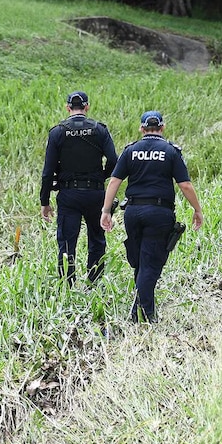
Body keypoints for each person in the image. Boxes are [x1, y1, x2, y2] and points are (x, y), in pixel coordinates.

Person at [100, 111, 203, 323]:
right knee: (151, 264)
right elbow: (184, 184)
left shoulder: (131, 151)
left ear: (141, 129)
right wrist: (197, 209)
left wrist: (106, 210)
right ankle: (143, 315)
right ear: (162, 128)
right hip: (158, 213)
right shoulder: (171, 151)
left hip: (133, 212)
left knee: (140, 261)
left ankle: (141, 310)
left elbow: (114, 181)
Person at [41, 91, 117, 286]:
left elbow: (48, 171)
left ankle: (68, 284)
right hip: (95, 193)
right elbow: (114, 160)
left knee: (66, 242)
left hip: (68, 195)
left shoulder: (58, 132)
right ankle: (95, 282)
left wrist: (45, 201)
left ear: (68, 108)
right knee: (97, 239)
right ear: (87, 107)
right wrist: (102, 176)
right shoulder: (99, 130)